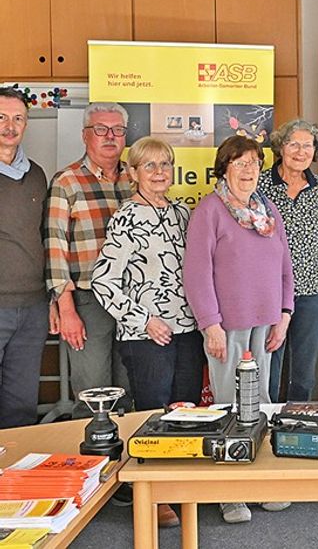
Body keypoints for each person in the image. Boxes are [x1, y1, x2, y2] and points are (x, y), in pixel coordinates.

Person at [90, 137, 201, 529]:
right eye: (149, 166)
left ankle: (180, 487)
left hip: (188, 330)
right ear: (133, 173)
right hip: (147, 335)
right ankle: (154, 497)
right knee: (153, 414)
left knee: (186, 411)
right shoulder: (126, 218)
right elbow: (103, 281)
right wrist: (143, 320)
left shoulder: (182, 213)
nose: (159, 172)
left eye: (165, 164)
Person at [184, 135, 294, 523]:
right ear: (224, 168)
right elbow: (196, 274)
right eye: (240, 163)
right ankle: (229, 492)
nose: (249, 170)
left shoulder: (268, 211)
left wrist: (285, 314)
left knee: (260, 402)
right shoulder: (209, 211)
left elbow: (285, 267)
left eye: (254, 163)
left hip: (266, 322)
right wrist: (210, 324)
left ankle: (259, 482)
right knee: (228, 405)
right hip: (226, 326)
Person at [45, 101, 133, 413]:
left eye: (117, 130)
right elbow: (55, 247)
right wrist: (66, 308)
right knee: (94, 396)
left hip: (132, 301)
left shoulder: (135, 178)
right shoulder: (66, 181)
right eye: (100, 129)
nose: (110, 136)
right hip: (88, 302)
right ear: (85, 135)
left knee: (130, 392)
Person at [258, 119, 318, 402]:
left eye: (307, 146)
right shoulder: (260, 185)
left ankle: (298, 420)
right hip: (270, 291)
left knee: (304, 371)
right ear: (280, 147)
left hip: (313, 292)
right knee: (269, 363)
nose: (301, 152)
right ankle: (268, 419)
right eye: (294, 144)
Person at [0, 87, 48, 429]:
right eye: (1, 118)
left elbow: (44, 237)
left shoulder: (36, 175)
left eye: (18, 118)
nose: (10, 126)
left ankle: (15, 464)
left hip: (32, 307)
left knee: (21, 406)